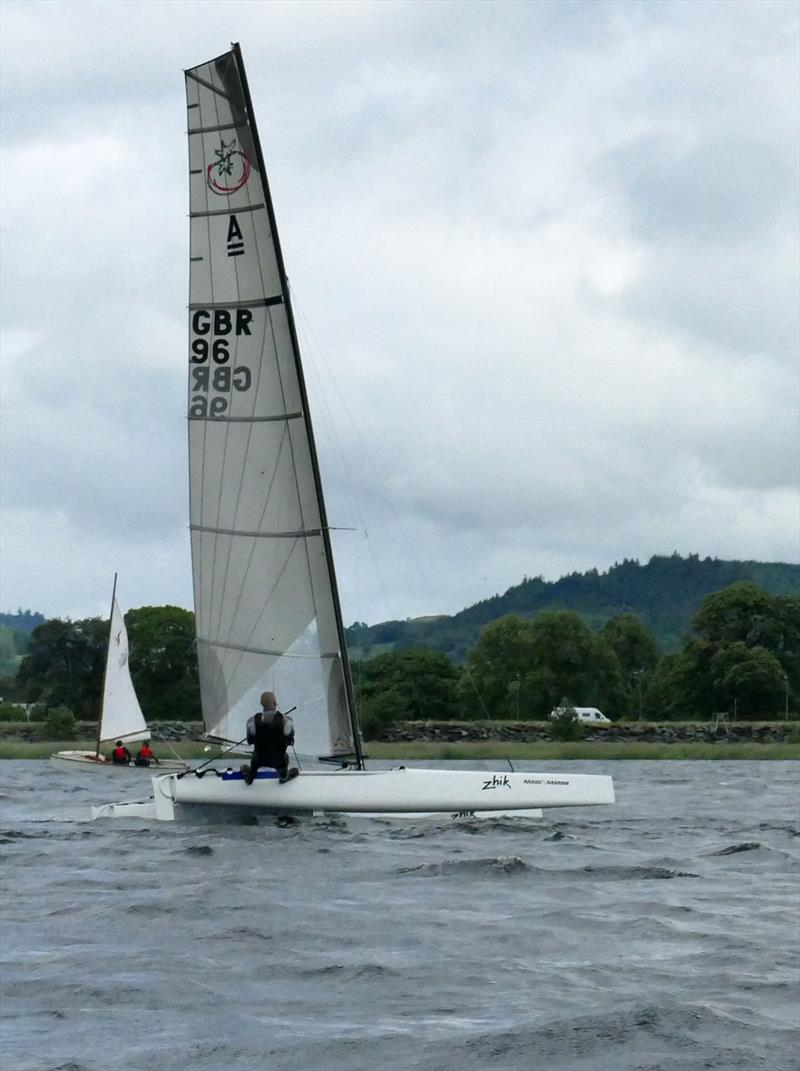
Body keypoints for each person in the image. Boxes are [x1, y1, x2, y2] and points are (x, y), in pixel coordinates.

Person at [243, 691, 297, 785]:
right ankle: (284, 777)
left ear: (261, 704)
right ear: (275, 703)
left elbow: (250, 741)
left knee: (255, 761)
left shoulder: (252, 721)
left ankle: (250, 777)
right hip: (279, 761)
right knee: (285, 759)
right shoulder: (288, 720)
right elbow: (290, 742)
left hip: (258, 759)